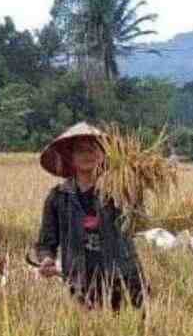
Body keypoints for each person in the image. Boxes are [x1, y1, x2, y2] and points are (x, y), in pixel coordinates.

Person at [34, 122, 147, 311]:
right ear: (71, 157)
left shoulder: (119, 191)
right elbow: (46, 243)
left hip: (123, 276)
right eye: (81, 151)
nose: (88, 155)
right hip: (81, 280)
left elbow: (138, 217)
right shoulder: (58, 198)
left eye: (93, 149)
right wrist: (47, 259)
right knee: (92, 335)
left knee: (133, 332)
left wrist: (136, 182)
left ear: (104, 154)